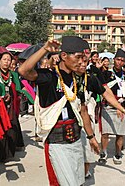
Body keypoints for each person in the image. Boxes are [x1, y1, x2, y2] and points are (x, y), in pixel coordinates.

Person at [18, 36, 100, 186]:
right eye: (78, 57)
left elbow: (82, 111)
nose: (82, 62)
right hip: (57, 144)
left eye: (84, 58)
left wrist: (91, 137)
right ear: (64, 56)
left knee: (77, 180)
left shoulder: (76, 80)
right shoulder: (49, 78)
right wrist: (45, 49)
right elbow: (23, 70)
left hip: (75, 140)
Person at [76, 50, 125, 178]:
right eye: (80, 60)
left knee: (89, 144)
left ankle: (86, 171)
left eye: (86, 61)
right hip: (71, 117)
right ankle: (103, 152)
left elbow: (106, 92)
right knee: (104, 134)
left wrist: (123, 109)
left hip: (89, 113)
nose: (83, 64)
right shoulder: (65, 76)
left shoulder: (92, 77)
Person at [99, 49, 125, 165]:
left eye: (122, 60)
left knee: (120, 133)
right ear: (114, 60)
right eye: (118, 59)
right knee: (105, 133)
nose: (119, 62)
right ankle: (103, 152)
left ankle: (117, 153)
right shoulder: (106, 74)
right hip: (108, 106)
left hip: (121, 107)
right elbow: (102, 89)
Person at [0, 52, 33, 161]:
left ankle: (9, 152)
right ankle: (0, 154)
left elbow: (20, 88)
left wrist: (33, 100)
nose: (7, 62)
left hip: (11, 105)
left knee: (11, 128)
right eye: (4, 59)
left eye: (9, 60)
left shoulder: (14, 75)